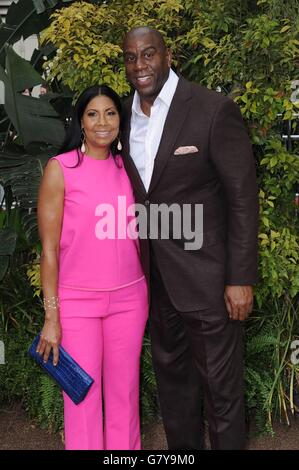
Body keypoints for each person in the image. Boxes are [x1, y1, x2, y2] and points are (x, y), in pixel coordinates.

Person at [122, 26, 259, 450]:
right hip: (156, 283)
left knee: (222, 396)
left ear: (167, 54)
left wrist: (240, 278)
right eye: (130, 57)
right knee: (175, 395)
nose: (139, 65)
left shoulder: (211, 109)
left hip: (210, 283)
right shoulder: (121, 116)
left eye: (148, 54)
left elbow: (241, 197)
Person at [36, 85, 148, 450]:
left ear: (120, 119)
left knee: (125, 396)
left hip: (130, 300)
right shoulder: (61, 168)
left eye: (111, 113)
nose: (103, 122)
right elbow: (49, 251)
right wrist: (51, 316)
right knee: (81, 397)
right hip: (77, 306)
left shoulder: (129, 168)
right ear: (80, 122)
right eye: (93, 114)